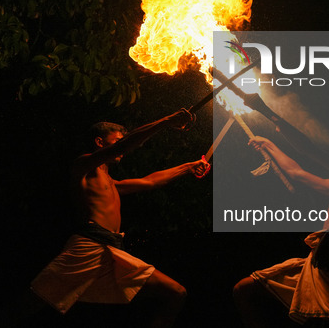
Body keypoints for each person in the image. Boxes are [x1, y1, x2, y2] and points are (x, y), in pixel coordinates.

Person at [29, 109, 210, 327]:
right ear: (99, 142)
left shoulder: (111, 183)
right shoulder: (83, 165)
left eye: (120, 142)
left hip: (113, 251)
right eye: (116, 141)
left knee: (175, 293)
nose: (121, 148)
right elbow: (126, 145)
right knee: (31, 304)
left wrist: (188, 167)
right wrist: (167, 120)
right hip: (88, 246)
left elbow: (149, 182)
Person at [233, 125, 329, 328]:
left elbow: (310, 150)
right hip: (317, 257)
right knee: (245, 288)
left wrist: (266, 111)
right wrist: (269, 144)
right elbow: (296, 173)